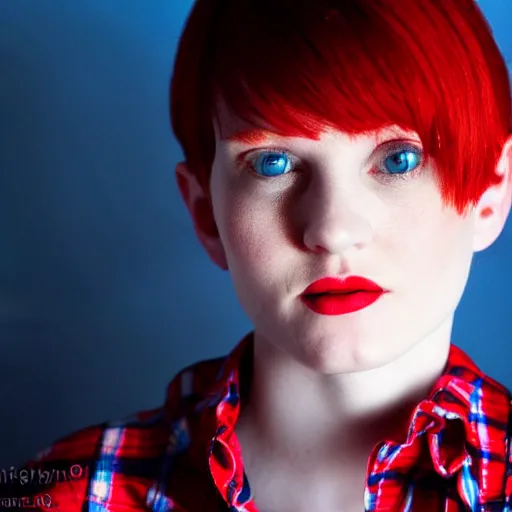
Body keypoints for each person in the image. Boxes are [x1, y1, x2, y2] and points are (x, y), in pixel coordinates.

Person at [4, 0, 512, 510]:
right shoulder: (56, 493)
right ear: (206, 214)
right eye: (273, 163)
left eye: (399, 159)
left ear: (492, 193)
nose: (331, 230)